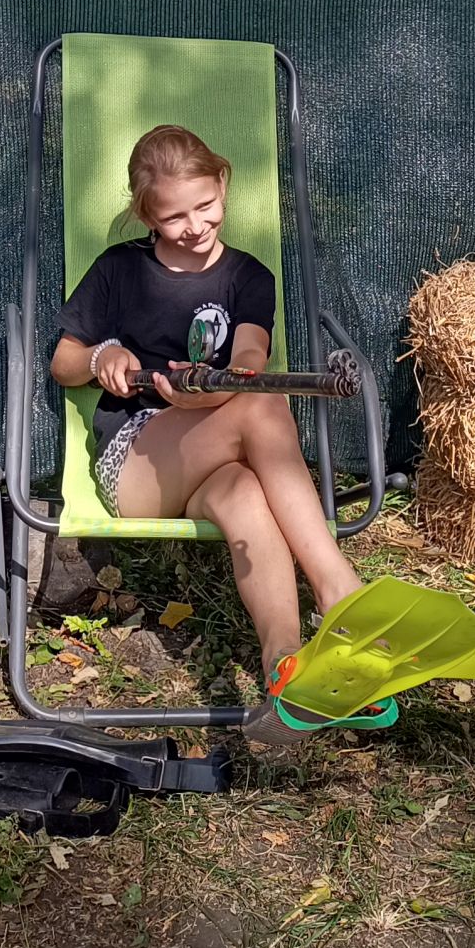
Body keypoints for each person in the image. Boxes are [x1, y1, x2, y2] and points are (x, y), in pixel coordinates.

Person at [51, 123, 362, 708]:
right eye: (173, 217)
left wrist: (206, 397)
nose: (194, 226)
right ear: (146, 216)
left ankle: (284, 664)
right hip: (138, 461)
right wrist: (100, 356)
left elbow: (249, 361)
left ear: (222, 184)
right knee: (264, 403)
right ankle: (339, 590)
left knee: (244, 492)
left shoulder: (249, 276)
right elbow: (63, 364)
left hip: (214, 451)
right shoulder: (120, 269)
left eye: (205, 206)